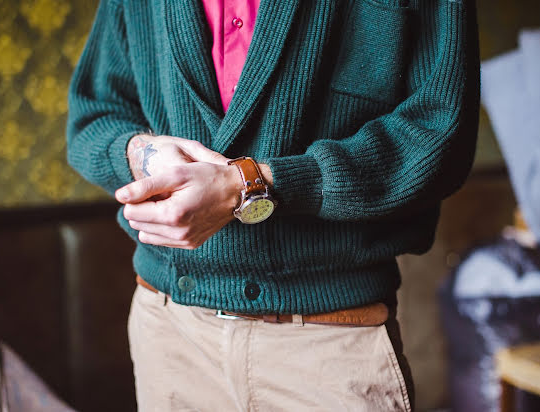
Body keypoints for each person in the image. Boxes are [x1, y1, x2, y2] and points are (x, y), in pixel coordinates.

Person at [67, 0, 479, 410]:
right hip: (171, 334)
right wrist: (142, 153)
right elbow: (94, 115)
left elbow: (438, 135)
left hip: (328, 340)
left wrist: (254, 184)